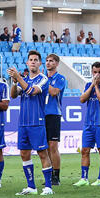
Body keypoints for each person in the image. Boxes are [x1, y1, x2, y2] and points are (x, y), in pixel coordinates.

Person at [8, 50, 54, 196]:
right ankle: (31, 187)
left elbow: (31, 91)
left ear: (40, 63)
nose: (33, 62)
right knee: (24, 154)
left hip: (36, 122)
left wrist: (19, 78)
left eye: (35, 60)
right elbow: (13, 95)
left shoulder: (43, 79)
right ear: (27, 63)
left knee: (42, 153)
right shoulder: (25, 79)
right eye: (31, 60)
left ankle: (48, 187)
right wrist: (14, 82)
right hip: (23, 123)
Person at [74, 62, 100, 187]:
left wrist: (96, 86)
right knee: (85, 150)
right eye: (95, 72)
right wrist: (92, 85)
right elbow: (82, 99)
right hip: (88, 123)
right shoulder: (87, 85)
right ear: (92, 72)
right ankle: (84, 178)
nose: (97, 75)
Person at [44, 54, 67, 185]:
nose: (48, 63)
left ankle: (56, 176)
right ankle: (49, 175)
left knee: (53, 146)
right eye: (47, 61)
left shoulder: (60, 78)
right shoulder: (43, 78)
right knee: (45, 147)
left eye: (51, 61)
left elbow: (53, 92)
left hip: (53, 114)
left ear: (57, 64)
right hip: (41, 114)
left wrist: (43, 81)